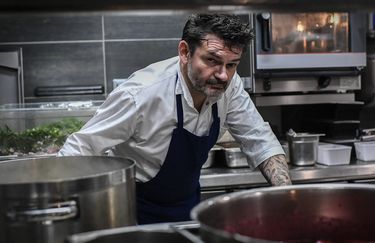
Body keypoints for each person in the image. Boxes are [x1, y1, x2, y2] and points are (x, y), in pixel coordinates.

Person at [58, 13, 292, 224]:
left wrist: (286, 196)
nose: (223, 75)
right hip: (135, 212)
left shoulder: (230, 87)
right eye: (211, 60)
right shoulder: (141, 94)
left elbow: (259, 138)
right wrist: (61, 212)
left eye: (231, 65)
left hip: (188, 206)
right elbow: (81, 147)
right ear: (184, 52)